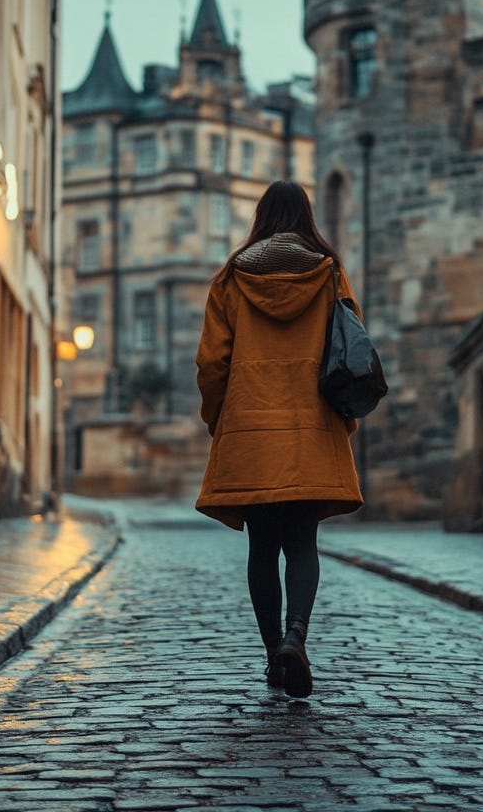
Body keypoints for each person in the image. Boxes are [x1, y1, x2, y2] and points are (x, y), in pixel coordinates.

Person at [194, 181, 364, 699]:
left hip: (251, 429)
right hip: (311, 429)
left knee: (263, 547)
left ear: (261, 217)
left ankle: (273, 655)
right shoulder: (329, 272)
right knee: (303, 542)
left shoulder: (231, 276)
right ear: (307, 216)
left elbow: (211, 362)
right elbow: (351, 349)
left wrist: (217, 419)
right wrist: (345, 419)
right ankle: (297, 635)